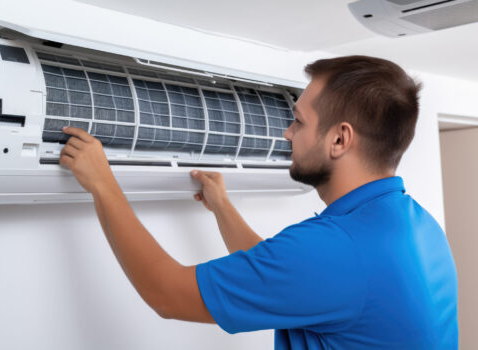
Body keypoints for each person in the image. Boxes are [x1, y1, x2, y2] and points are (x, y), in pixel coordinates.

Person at [58, 55, 458, 349]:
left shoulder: (334, 249)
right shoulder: (420, 227)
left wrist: (103, 184)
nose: (286, 134)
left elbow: (166, 294)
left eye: (298, 122)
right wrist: (222, 208)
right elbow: (286, 272)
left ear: (339, 139)